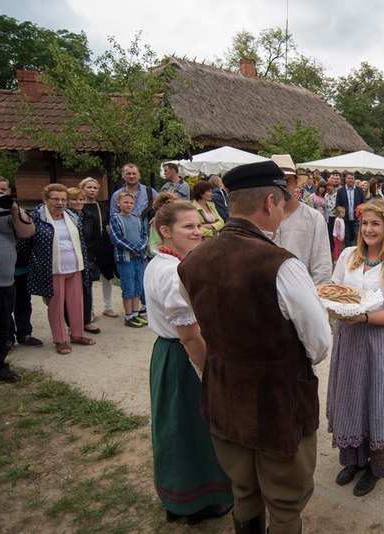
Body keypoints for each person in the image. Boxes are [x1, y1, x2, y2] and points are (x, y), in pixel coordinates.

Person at [178, 160, 331, 533]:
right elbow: (319, 342)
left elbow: (200, 320)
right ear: (269, 202)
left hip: (224, 393)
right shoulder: (281, 265)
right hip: (277, 401)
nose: (282, 210)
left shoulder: (193, 260)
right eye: (282, 202)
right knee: (285, 500)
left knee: (243, 489)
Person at [143, 193, 233, 524]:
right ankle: (202, 501)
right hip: (184, 358)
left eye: (198, 225)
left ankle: (179, 498)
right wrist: (211, 372)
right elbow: (190, 335)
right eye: (188, 227)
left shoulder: (160, 262)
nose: (197, 231)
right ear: (165, 231)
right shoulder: (174, 272)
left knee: (175, 427)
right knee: (192, 427)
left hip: (167, 354)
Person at [327, 199, 384, 497]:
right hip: (348, 339)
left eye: (375, 223)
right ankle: (353, 459)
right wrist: (335, 308)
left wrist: (362, 317)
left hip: (379, 344)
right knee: (349, 397)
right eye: (365, 223)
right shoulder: (348, 255)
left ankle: (376, 468)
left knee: (376, 403)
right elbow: (336, 292)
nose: (368, 229)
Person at [0, 171, 34, 389]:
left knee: (0, 329)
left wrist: (12, 207)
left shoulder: (4, 211)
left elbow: (27, 232)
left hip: (3, 282)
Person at [27, 184, 94, 355]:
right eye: (55, 199)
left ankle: (77, 334)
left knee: (76, 303)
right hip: (53, 270)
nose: (60, 203)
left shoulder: (71, 216)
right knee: (56, 306)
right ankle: (60, 339)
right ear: (45, 199)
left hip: (75, 267)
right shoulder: (37, 218)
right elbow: (27, 244)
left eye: (63, 199)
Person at [0, 175, 43, 351]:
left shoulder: (17, 211)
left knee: (23, 302)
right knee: (3, 306)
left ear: (9, 191)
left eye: (3, 189)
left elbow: (30, 234)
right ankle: (8, 335)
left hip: (21, 267)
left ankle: (24, 333)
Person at [272, 154, 333, 285]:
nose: (281, 187)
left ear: (295, 182)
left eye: (286, 181)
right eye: (275, 182)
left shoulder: (314, 219)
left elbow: (322, 270)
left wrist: (317, 294)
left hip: (303, 293)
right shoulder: (260, 218)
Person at [79, 177, 118, 319]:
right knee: (88, 279)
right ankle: (90, 310)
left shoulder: (102, 207)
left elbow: (108, 224)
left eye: (95, 188)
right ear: (82, 188)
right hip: (88, 247)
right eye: (89, 187)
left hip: (104, 246)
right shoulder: (79, 207)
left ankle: (108, 307)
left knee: (107, 276)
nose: (92, 190)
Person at [109, 191, 148, 328]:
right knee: (128, 286)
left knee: (138, 285)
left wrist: (140, 247)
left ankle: (136, 313)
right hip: (125, 259)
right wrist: (133, 248)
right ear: (118, 203)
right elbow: (116, 238)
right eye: (125, 202)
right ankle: (129, 316)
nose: (129, 205)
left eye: (131, 203)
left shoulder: (137, 218)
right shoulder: (115, 218)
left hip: (138, 257)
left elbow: (144, 235)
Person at [66, 187, 100, 335]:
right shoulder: (64, 217)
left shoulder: (90, 217)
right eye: (74, 199)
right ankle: (71, 323)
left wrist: (85, 249)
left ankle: (86, 321)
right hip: (70, 259)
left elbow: (97, 238)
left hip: (87, 259)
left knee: (86, 291)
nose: (78, 202)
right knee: (71, 294)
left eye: (81, 199)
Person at [336, 172, 364, 247]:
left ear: (354, 179)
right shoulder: (340, 191)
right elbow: (338, 204)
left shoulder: (359, 190)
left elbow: (363, 203)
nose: (350, 180)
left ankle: (359, 251)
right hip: (345, 218)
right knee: (347, 238)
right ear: (345, 179)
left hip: (357, 218)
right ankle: (348, 252)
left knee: (358, 236)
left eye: (352, 178)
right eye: (349, 178)